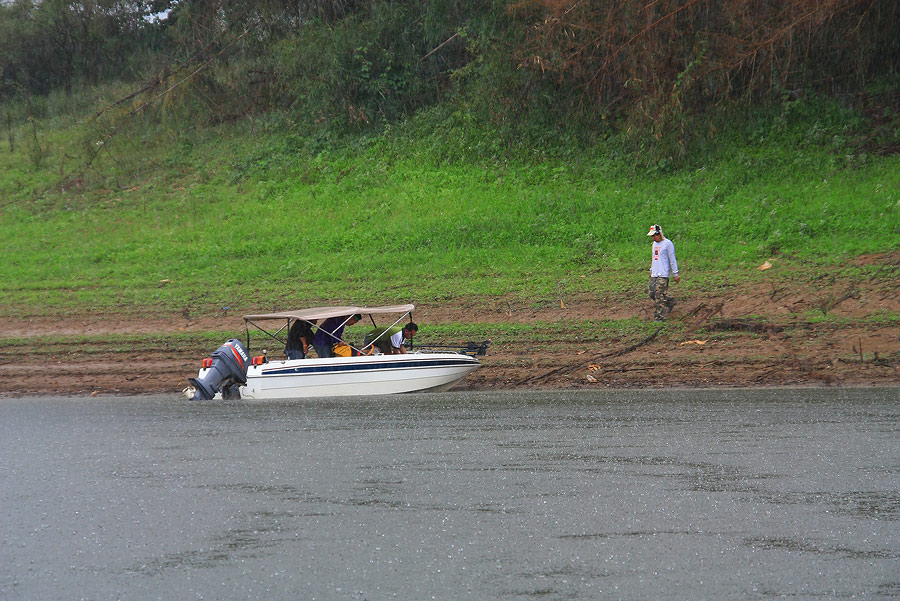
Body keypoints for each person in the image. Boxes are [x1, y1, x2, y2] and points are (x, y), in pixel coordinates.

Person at [647, 224, 680, 321]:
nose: (653, 238)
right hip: (655, 273)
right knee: (651, 293)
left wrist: (675, 274)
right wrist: (651, 270)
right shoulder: (654, 244)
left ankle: (659, 317)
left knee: (659, 294)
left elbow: (672, 259)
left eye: (654, 235)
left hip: (663, 273)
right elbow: (654, 258)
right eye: (652, 236)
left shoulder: (668, 244)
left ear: (659, 233)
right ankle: (670, 302)